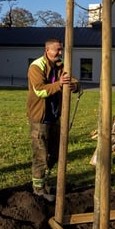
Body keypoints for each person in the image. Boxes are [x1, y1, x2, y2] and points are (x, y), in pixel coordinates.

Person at [26, 37, 78, 202]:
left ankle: (46, 182)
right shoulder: (36, 66)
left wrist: (74, 85)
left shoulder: (61, 66)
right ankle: (38, 189)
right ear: (47, 50)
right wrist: (60, 85)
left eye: (61, 49)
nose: (60, 53)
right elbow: (39, 91)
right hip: (40, 118)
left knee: (54, 154)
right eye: (57, 50)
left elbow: (73, 80)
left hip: (55, 116)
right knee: (40, 154)